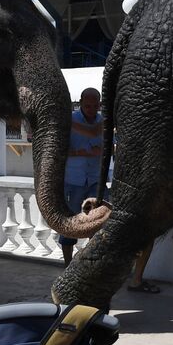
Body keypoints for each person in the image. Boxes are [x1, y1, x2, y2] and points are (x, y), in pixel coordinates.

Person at [59, 87, 104, 265]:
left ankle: (90, 264)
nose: (91, 109)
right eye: (88, 106)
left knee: (98, 221)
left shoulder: (101, 121)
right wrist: (84, 152)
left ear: (99, 104)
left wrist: (82, 151)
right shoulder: (70, 120)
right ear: (80, 103)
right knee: (70, 222)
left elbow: (102, 148)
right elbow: (62, 148)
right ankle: (67, 265)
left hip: (94, 179)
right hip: (74, 179)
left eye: (95, 106)